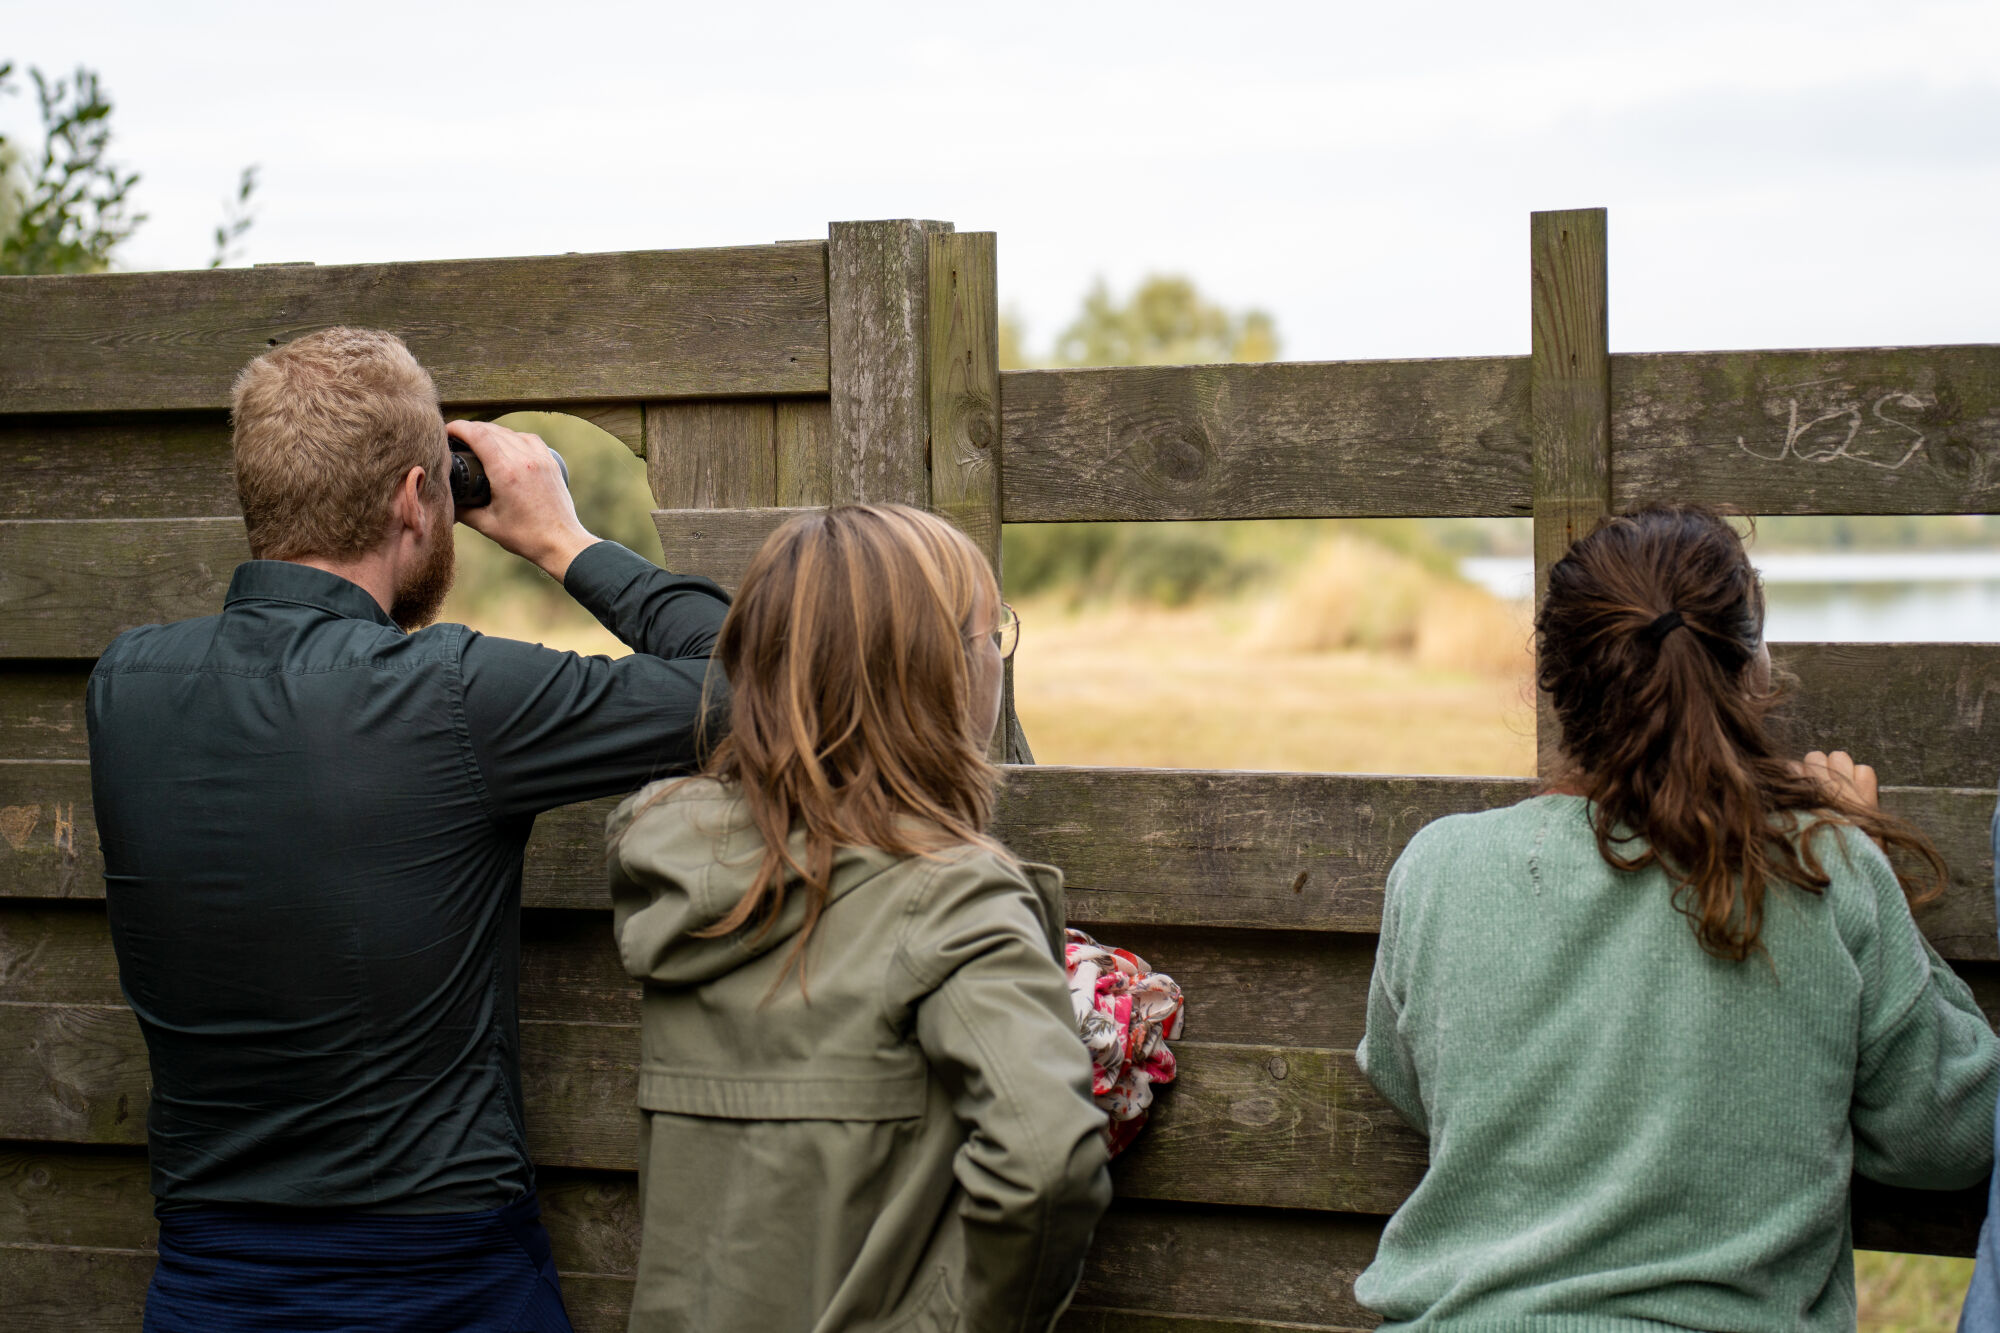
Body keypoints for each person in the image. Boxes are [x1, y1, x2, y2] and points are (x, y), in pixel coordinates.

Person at [87, 327, 731, 1332]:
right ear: (411, 498)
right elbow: (752, 686)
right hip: (443, 1284)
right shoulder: (450, 693)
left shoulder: (125, 682)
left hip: (206, 1283)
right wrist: (562, 537)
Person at [1355, 504, 1999, 1330]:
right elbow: (1945, 1133)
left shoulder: (1438, 866)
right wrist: (1864, 857)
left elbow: (1412, 1075)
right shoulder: (1819, 868)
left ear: (1554, 682)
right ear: (1752, 672)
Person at [607, 504, 1112, 1333]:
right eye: (994, 635)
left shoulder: (679, 866)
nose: (997, 659)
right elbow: (1046, 1157)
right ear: (939, 670)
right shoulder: (954, 896)